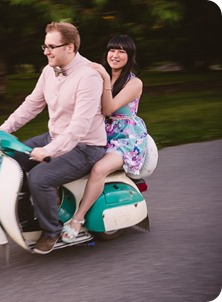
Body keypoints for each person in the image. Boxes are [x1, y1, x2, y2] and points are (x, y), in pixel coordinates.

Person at [0, 21, 107, 254]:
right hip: (55, 136)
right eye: (44, 46)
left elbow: (79, 127)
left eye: (51, 47)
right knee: (10, 158)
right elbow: (32, 105)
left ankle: (51, 231)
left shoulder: (88, 77)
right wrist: (3, 130)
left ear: (70, 47)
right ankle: (27, 217)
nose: (46, 51)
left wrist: (49, 151)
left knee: (39, 178)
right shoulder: (49, 70)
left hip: (85, 146)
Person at [61, 34, 148, 243]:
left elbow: (109, 109)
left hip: (127, 139)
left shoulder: (134, 83)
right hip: (101, 131)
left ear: (129, 56)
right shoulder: (100, 75)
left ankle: (77, 219)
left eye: (121, 51)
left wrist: (105, 79)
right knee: (62, 155)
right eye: (112, 50)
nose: (115, 55)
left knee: (99, 169)